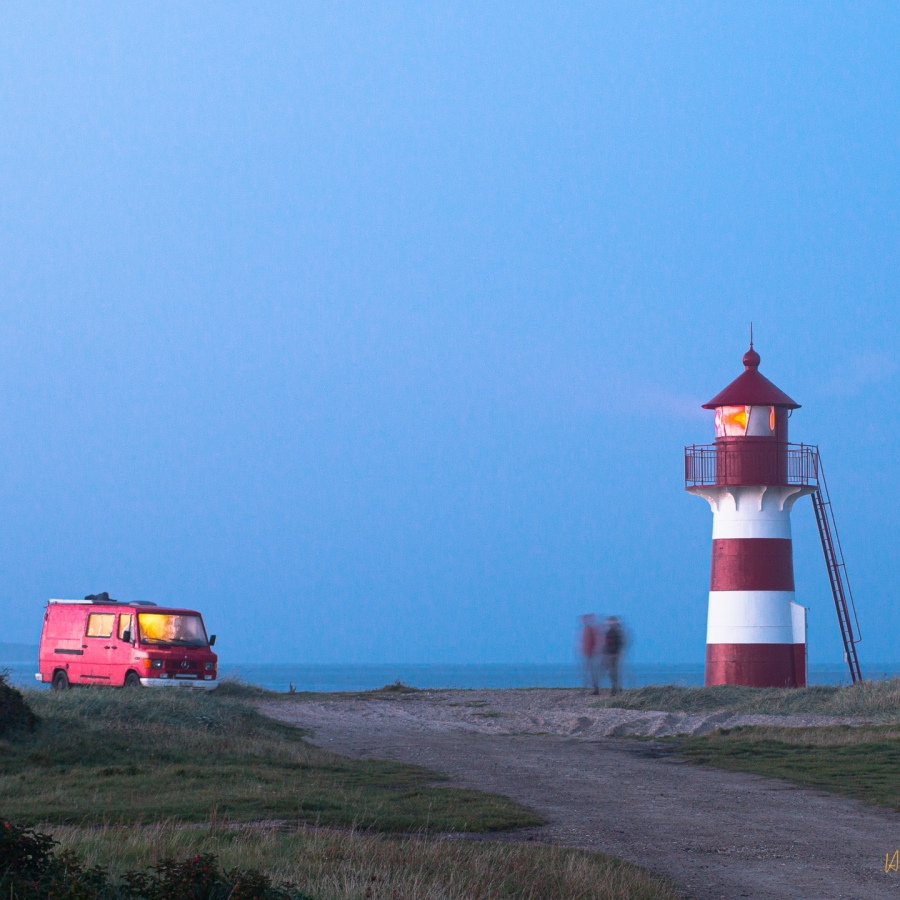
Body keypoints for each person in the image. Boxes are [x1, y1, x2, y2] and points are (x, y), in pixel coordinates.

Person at [602, 616, 624, 695]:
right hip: (609, 654)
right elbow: (607, 643)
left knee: (613, 672)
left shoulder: (617, 631)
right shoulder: (609, 631)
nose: (609, 623)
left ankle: (615, 689)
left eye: (610, 621)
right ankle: (616, 688)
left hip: (614, 654)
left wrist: (617, 652)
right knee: (612, 672)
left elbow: (620, 643)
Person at [579, 614, 601, 695]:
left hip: (591, 654)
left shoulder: (591, 629)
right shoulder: (586, 629)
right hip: (587, 654)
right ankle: (590, 688)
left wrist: (593, 651)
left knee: (591, 672)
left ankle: (594, 689)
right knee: (588, 672)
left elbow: (594, 642)